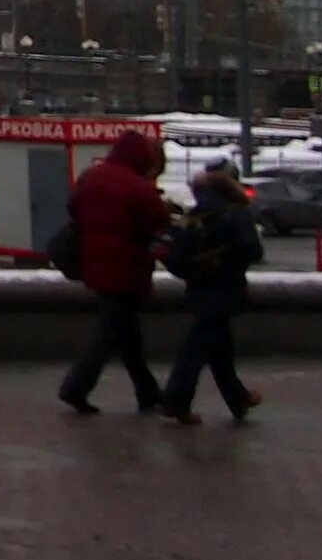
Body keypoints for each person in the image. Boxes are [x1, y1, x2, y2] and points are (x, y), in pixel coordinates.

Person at [58, 128, 170, 414]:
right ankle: (75, 388)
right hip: (126, 268)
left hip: (95, 265)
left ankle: (147, 392)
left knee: (127, 333)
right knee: (109, 334)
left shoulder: (91, 177)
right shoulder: (136, 186)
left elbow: (73, 206)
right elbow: (158, 219)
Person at [160, 160, 265, 425]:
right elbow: (253, 251)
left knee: (218, 348)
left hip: (199, 288)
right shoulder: (235, 212)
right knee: (195, 350)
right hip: (226, 288)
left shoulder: (195, 214)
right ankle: (175, 402)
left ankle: (237, 398)